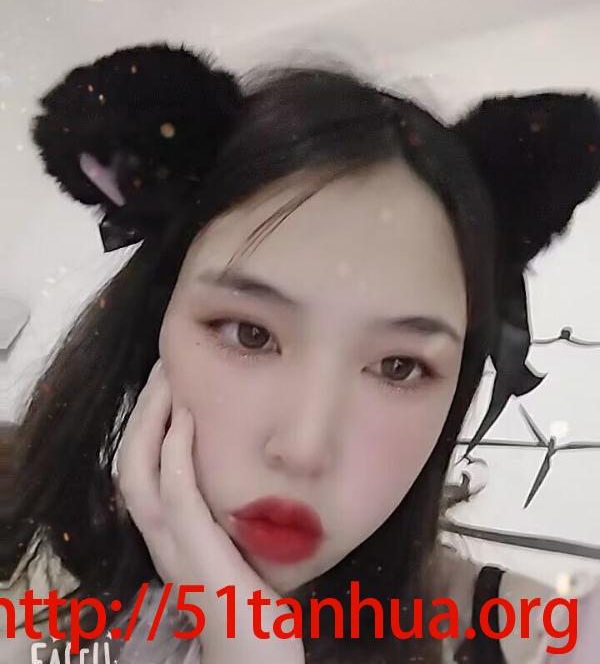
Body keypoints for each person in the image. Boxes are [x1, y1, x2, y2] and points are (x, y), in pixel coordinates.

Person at [2, 43, 600, 664]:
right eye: (249, 333)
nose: (305, 448)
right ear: (155, 331)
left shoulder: (535, 636)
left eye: (398, 367)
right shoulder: (44, 597)